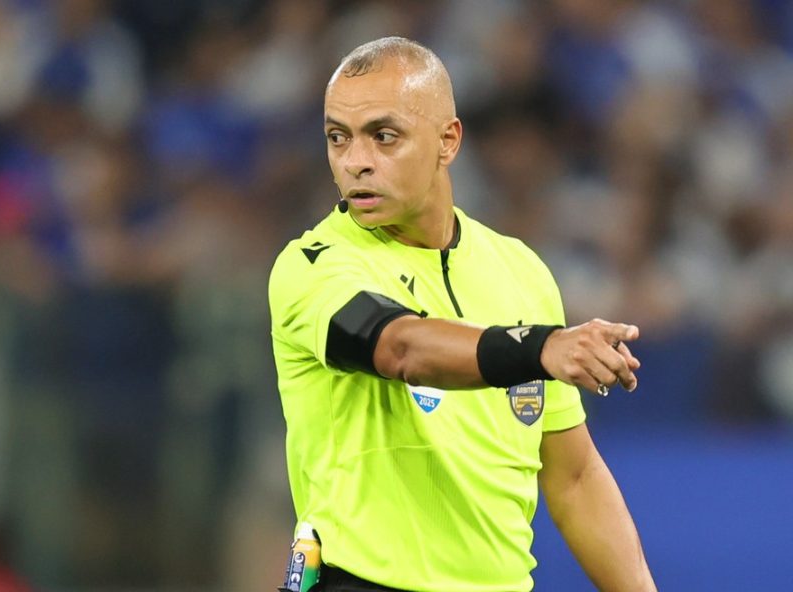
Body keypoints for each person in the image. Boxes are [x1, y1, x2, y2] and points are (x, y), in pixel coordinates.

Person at [269, 37, 656, 592]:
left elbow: (572, 477)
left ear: (447, 141)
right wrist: (540, 347)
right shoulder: (313, 266)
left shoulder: (519, 270)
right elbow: (402, 348)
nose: (356, 161)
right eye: (338, 137)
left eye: (384, 136)